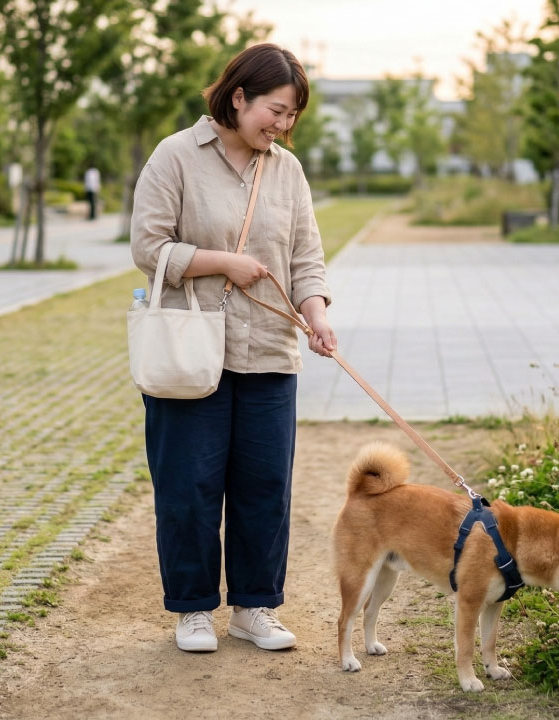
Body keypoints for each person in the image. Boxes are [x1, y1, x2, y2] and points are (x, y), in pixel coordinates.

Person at [129, 43, 336, 654]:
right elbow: (148, 248)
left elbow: (306, 257)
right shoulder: (175, 157)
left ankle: (254, 607)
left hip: (271, 351)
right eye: (275, 110)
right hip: (192, 352)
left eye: (293, 114)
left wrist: (316, 314)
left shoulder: (287, 170)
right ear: (238, 96)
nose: (283, 125)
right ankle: (193, 610)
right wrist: (224, 264)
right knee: (188, 486)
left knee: (265, 486)